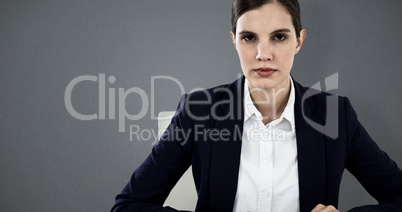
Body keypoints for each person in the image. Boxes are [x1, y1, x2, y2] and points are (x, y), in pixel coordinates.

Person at [111, 0, 402, 211]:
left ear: (299, 41)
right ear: (234, 41)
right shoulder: (198, 111)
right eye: (249, 38)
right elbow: (128, 205)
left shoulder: (335, 115)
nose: (264, 54)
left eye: (279, 37)